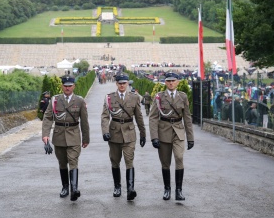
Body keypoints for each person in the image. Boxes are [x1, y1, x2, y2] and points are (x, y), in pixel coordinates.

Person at [42, 75, 90, 201]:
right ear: (62, 86)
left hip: (74, 135)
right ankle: (65, 187)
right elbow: (47, 118)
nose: (67, 88)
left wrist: (86, 138)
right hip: (59, 136)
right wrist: (45, 135)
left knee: (73, 160)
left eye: (70, 85)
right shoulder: (55, 100)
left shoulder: (79, 101)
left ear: (74, 86)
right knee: (62, 163)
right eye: (65, 85)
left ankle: (74, 189)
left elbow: (84, 121)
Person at [149, 72, 194, 201]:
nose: (171, 83)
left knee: (179, 157)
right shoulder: (159, 97)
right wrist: (154, 137)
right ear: (165, 83)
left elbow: (187, 118)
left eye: (173, 80)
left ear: (177, 82)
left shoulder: (183, 97)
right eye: (168, 81)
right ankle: (167, 189)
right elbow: (153, 117)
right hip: (163, 131)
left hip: (178, 131)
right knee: (165, 162)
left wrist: (190, 138)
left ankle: (178, 191)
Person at [101, 73, 146, 201]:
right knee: (115, 161)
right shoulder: (109, 98)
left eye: (124, 83)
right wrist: (105, 131)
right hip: (114, 133)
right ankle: (117, 187)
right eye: (119, 83)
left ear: (127, 84)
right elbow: (105, 116)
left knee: (129, 160)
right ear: (116, 84)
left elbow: (139, 117)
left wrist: (143, 134)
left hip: (129, 132)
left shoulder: (134, 97)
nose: (122, 85)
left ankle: (130, 189)